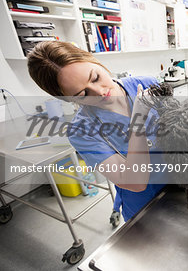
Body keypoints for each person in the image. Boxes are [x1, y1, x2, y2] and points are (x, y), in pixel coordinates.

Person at [28, 41, 165, 222]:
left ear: (93, 61)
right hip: (144, 206)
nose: (99, 92)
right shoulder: (81, 131)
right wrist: (138, 119)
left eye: (95, 78)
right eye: (82, 94)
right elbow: (135, 182)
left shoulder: (147, 84)